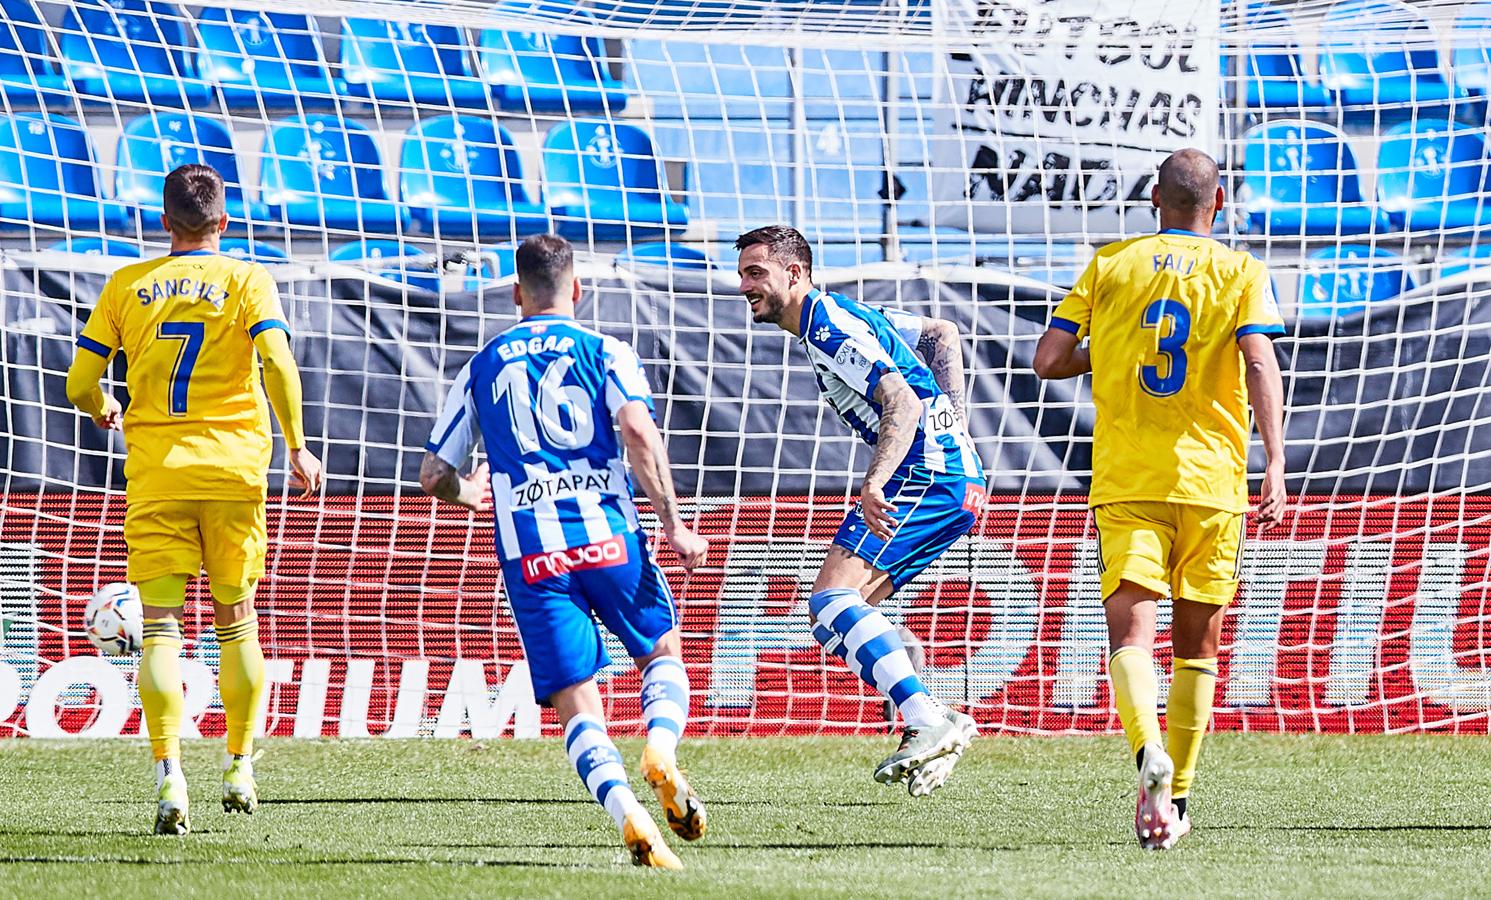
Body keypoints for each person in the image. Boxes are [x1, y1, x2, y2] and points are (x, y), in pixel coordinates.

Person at [420, 233, 709, 869]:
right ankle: (661, 748)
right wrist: (675, 523)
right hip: (611, 538)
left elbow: (434, 475)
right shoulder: (606, 350)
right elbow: (636, 429)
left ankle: (628, 814)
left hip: (532, 557)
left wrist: (479, 495)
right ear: (576, 288)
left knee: (577, 704)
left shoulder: (481, 365)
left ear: (517, 294)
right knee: (661, 652)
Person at [1032, 148, 1287, 849]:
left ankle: (1147, 752)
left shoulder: (1110, 262)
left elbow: (1047, 360)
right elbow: (1259, 360)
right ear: (1220, 201)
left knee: (1129, 640)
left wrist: (1108, 349)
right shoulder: (1241, 271)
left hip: (1127, 480)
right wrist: (1276, 464)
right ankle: (1175, 799)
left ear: (1152, 197)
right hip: (1210, 483)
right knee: (1197, 649)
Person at [65, 163, 323, 835]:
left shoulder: (127, 285)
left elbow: (78, 380)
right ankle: (238, 763)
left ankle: (169, 776)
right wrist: (295, 443)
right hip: (234, 472)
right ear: (225, 223)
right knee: (236, 621)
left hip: (158, 473)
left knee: (160, 628)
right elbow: (276, 363)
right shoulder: (247, 279)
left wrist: (102, 405)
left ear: (162, 222)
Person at [735, 224, 983, 797]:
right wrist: (960, 434)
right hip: (951, 473)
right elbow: (941, 334)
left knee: (829, 602)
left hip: (924, 473)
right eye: (743, 273)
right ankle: (931, 722)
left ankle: (928, 718)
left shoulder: (826, 327)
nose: (744, 286)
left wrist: (878, 480)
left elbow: (898, 399)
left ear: (793, 273)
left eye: (756, 273)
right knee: (851, 616)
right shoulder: (853, 313)